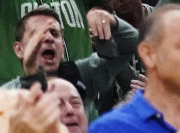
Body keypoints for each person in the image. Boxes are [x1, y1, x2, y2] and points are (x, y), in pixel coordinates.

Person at [4, 6, 138, 115]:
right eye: (37, 33)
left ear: (62, 46)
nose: (48, 38)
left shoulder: (82, 74)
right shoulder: (6, 98)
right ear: (19, 49)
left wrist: (111, 20)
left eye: (54, 33)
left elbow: (131, 44)